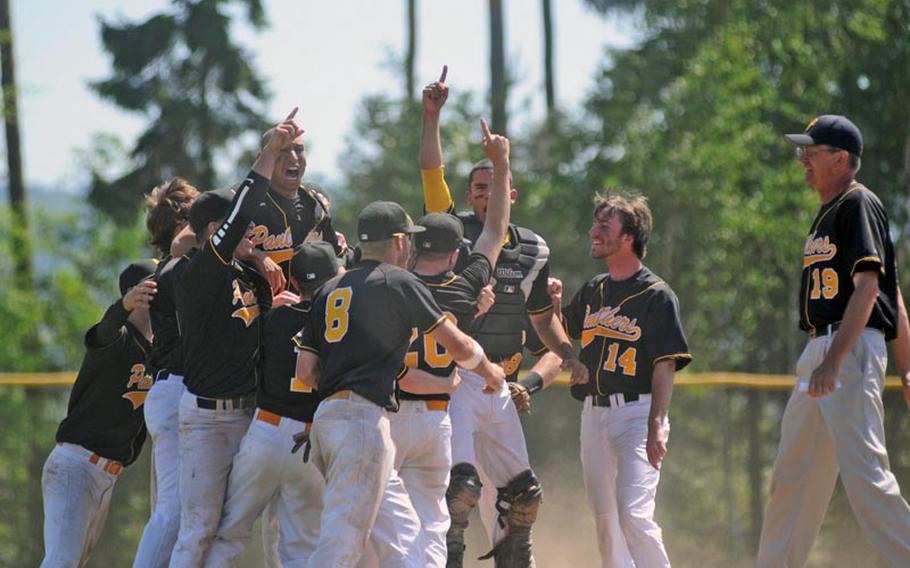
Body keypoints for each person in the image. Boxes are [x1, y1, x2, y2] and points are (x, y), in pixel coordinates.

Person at [419, 66, 587, 566]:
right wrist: (432, 118)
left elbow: (541, 322)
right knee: (461, 492)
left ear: (511, 192)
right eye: (476, 185)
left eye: (493, 183)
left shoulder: (534, 249)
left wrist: (569, 356)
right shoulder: (456, 234)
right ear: (468, 195)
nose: (483, 191)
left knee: (524, 498)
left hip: (503, 384)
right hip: (458, 377)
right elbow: (432, 175)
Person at [295, 200, 506, 567]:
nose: (409, 247)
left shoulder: (331, 288)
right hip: (362, 421)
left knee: (406, 535)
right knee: (342, 540)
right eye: (406, 239)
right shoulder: (396, 280)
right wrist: (490, 371)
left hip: (330, 418)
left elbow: (306, 373)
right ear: (396, 241)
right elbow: (457, 345)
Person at [757, 115, 910, 567]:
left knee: (866, 479)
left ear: (841, 159)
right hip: (821, 352)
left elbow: (872, 291)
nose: (802, 158)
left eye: (812, 150)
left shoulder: (857, 202)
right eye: (801, 149)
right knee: (791, 477)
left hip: (848, 349)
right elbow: (895, 294)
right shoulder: (827, 213)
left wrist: (836, 361)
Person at [365, 118, 514, 568]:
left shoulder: (392, 282)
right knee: (432, 523)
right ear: (454, 254)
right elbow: (495, 230)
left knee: (381, 524)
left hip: (389, 415)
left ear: (410, 249)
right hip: (436, 421)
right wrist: (502, 164)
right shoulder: (467, 286)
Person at [167, 110, 302, 567]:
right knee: (198, 528)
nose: (249, 228)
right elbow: (242, 210)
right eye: (235, 225)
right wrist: (270, 152)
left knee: (239, 526)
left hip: (249, 413)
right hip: (206, 420)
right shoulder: (200, 272)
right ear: (213, 231)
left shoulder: (246, 272)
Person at [558, 194, 691, 568]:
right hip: (593, 414)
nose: (594, 232)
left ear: (629, 236)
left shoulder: (656, 295)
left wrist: (657, 424)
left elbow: (665, 364)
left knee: (632, 514)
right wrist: (549, 305)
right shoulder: (594, 290)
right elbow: (556, 336)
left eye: (605, 226)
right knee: (605, 523)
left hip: (637, 414)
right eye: (595, 224)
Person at [202, 242, 341, 567]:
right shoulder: (338, 328)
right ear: (334, 279)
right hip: (309, 442)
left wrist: (268, 310)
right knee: (303, 545)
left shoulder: (273, 318)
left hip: (266, 431)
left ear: (293, 282)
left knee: (229, 532)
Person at [40, 260, 158, 568]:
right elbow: (105, 331)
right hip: (76, 466)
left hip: (106, 474)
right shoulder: (118, 339)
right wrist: (123, 305)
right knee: (61, 561)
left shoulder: (157, 352)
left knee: (73, 562)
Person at [133, 178, 199, 568]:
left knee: (180, 510)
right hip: (175, 392)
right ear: (181, 227)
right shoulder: (176, 269)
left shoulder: (176, 269)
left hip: (173, 394)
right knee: (173, 512)